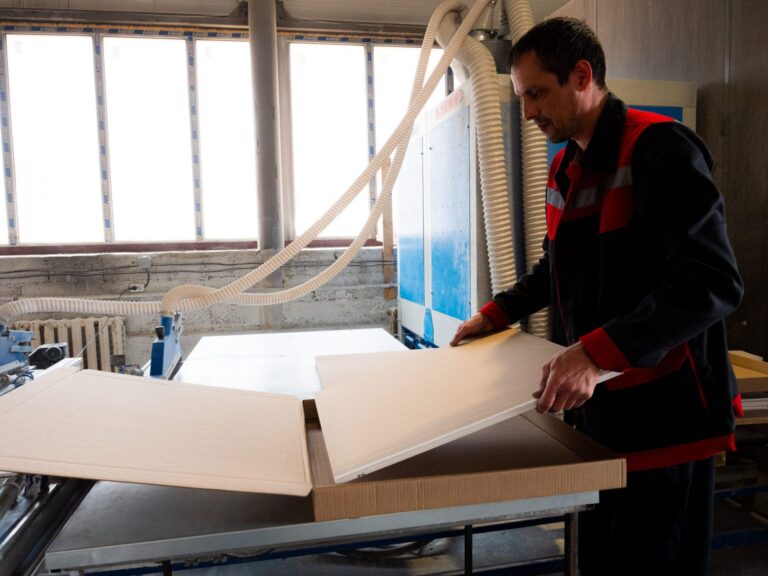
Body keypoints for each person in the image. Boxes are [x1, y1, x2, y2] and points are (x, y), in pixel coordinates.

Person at [450, 17, 743, 576]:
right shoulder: (566, 165)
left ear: (582, 76)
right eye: (521, 97)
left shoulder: (659, 148)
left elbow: (711, 281)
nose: (528, 112)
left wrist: (592, 354)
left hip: (666, 419)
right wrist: (497, 313)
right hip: (602, 418)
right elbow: (555, 267)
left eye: (537, 94)